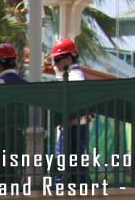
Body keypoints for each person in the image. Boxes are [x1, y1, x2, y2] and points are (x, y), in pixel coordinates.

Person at [51, 38, 88, 184]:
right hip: (73, 128)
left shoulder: (74, 76)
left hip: (72, 129)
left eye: (58, 59)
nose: (55, 64)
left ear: (68, 58)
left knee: (66, 169)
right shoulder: (74, 75)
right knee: (73, 168)